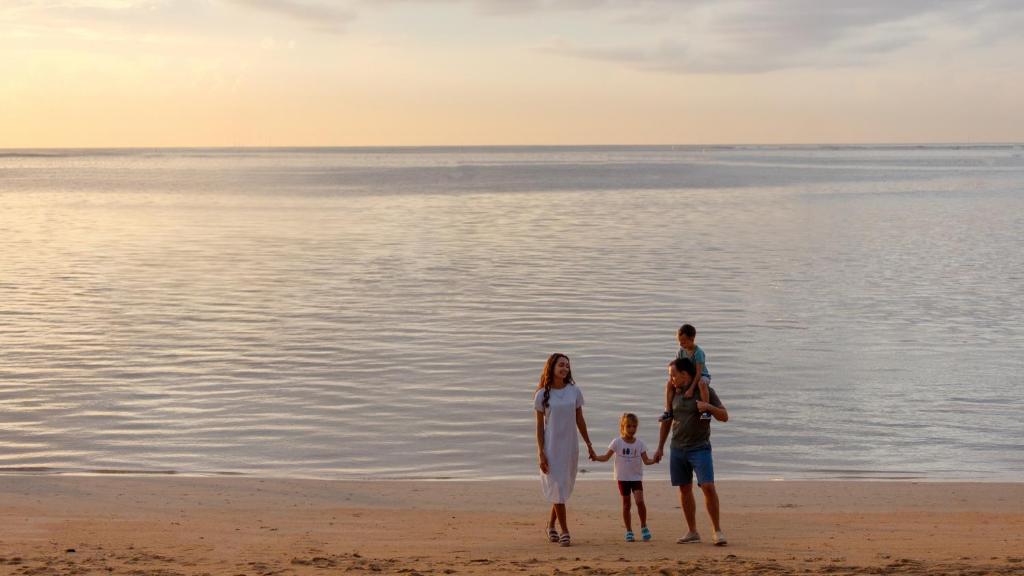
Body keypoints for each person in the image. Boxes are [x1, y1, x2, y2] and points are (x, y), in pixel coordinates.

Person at [652, 357, 729, 546]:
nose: (671, 379)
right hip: (678, 448)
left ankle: (717, 530)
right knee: (684, 488)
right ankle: (692, 531)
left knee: (708, 487)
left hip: (700, 448)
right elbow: (668, 420)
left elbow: (724, 416)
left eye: (673, 375)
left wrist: (708, 407)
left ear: (685, 374)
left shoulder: (705, 390)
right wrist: (660, 447)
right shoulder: (673, 393)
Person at [534, 353, 597, 547]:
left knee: (561, 488)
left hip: (569, 446)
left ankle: (551, 525)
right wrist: (541, 452)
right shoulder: (542, 394)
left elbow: (580, 419)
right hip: (551, 448)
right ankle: (565, 531)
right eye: (561, 365)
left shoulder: (574, 391)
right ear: (552, 367)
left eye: (567, 366)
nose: (564, 368)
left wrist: (589, 444)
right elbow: (539, 427)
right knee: (558, 487)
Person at [593, 413, 657, 542]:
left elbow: (646, 461)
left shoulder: (640, 444)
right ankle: (629, 531)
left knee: (640, 501)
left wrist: (655, 460)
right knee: (626, 504)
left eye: (634, 426)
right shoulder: (617, 442)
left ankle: (644, 526)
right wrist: (595, 457)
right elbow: (606, 457)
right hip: (622, 478)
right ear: (622, 426)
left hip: (636, 478)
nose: (632, 429)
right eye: (628, 426)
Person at [659, 324, 712, 422]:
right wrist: (676, 385)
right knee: (669, 384)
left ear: (692, 339)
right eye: (679, 341)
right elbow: (676, 368)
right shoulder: (681, 352)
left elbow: (698, 373)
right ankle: (668, 411)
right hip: (688, 377)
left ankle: (706, 411)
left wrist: (691, 389)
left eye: (683, 341)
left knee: (701, 383)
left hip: (701, 376)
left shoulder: (698, 353)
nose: (680, 344)